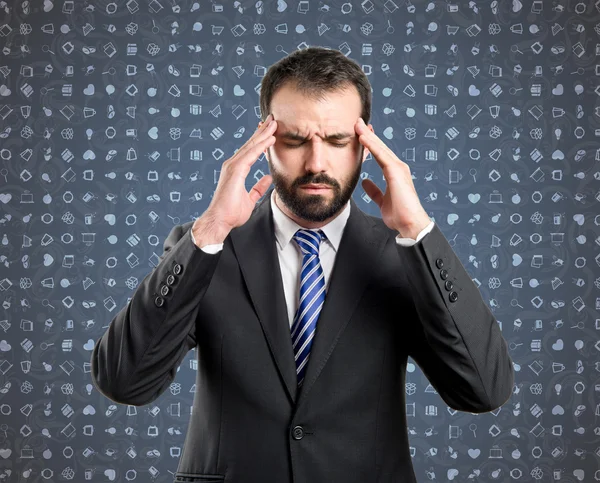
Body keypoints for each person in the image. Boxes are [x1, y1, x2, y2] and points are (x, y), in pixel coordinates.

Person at [91, 46, 514, 483]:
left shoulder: (403, 255)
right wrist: (212, 228)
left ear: (366, 146)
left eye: (337, 141)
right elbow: (125, 382)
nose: (316, 163)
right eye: (294, 141)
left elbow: (483, 391)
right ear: (264, 143)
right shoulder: (204, 248)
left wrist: (419, 231)